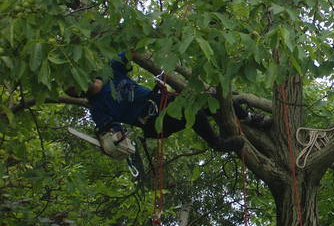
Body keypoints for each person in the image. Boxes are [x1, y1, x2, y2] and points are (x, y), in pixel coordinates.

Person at [67, 52, 253, 157]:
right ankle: (217, 143)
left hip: (162, 101)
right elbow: (111, 131)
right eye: (75, 90)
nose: (79, 87)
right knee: (193, 112)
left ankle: (250, 118)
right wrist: (116, 141)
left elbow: (130, 48)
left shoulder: (109, 71)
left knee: (212, 101)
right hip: (153, 122)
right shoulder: (98, 108)